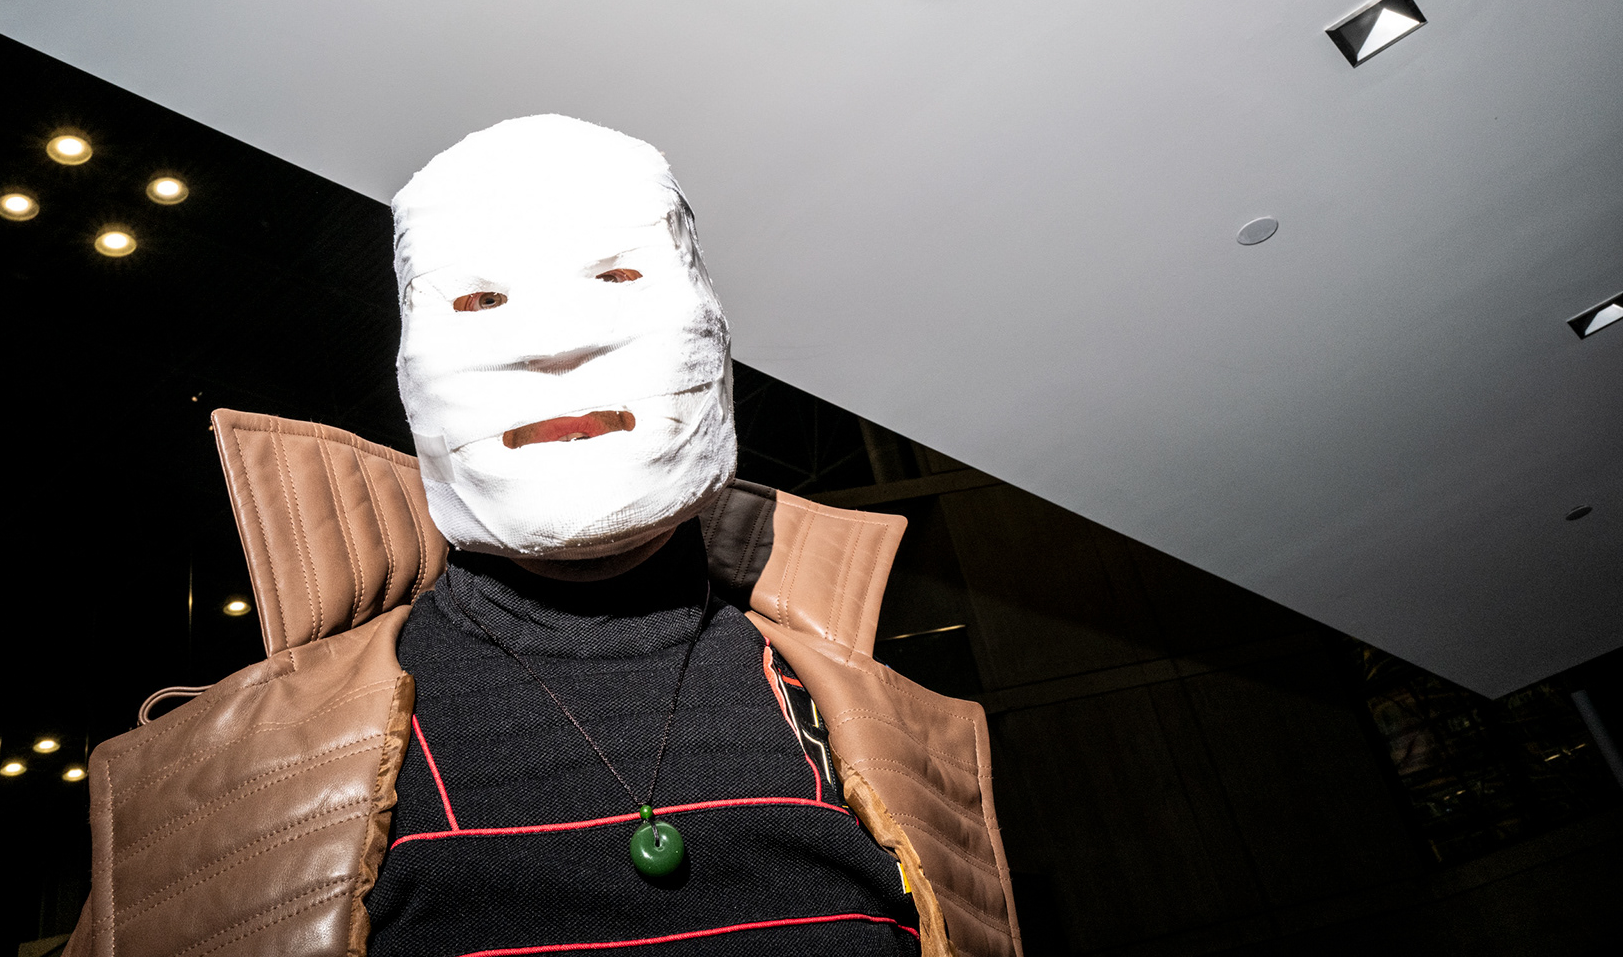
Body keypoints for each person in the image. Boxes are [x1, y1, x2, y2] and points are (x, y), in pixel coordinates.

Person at [66, 116, 1020, 957]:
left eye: (618, 277)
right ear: (408, 367)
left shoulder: (891, 735)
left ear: (712, 333)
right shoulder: (215, 781)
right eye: (479, 302)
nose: (555, 344)